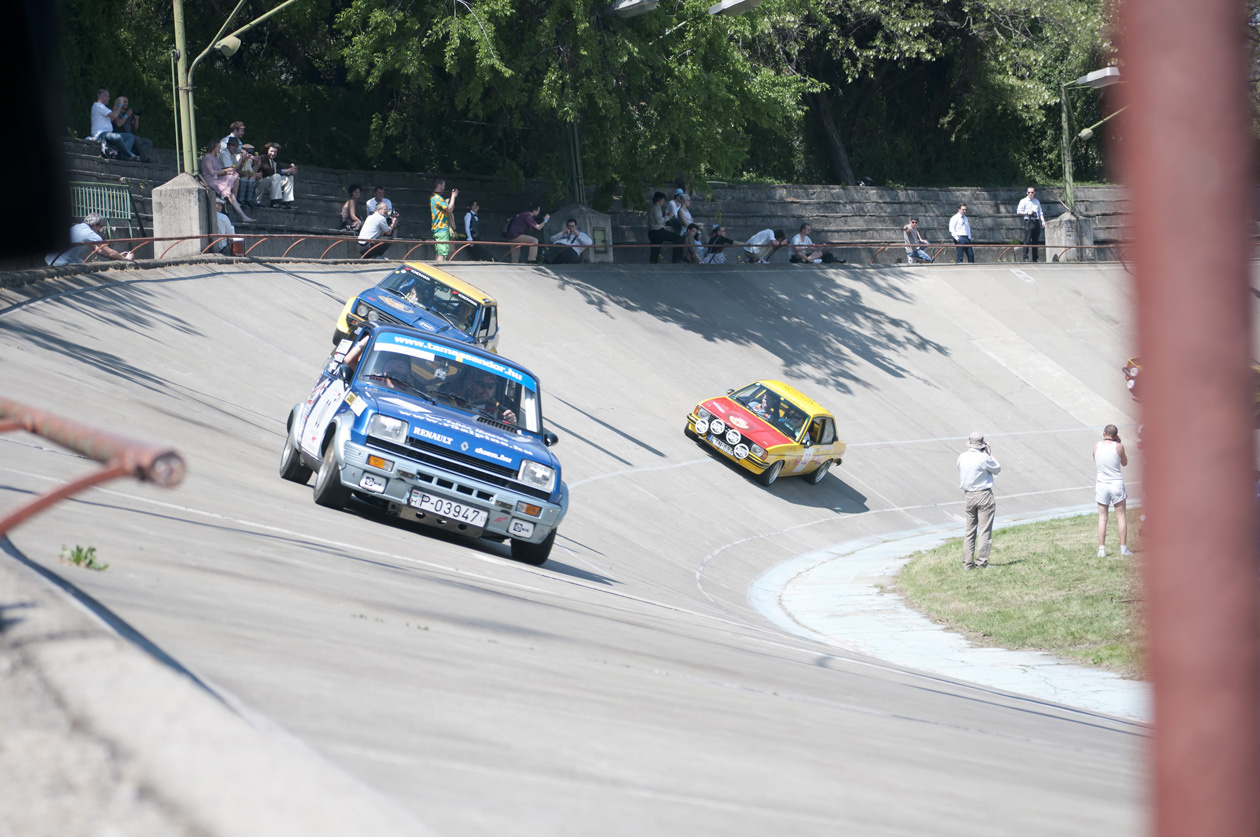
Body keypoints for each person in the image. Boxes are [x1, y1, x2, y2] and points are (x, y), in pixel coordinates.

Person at [957, 431, 1001, 570]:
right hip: (983, 495)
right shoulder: (983, 458)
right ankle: (982, 562)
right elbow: (997, 469)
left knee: (969, 530)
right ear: (982, 444)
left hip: (968, 495)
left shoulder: (962, 457)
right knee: (984, 530)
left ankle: (967, 563)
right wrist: (989, 453)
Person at [1094, 425, 1133, 557]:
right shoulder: (1118, 447)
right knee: (1121, 517)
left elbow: (1096, 459)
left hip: (1102, 484)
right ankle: (1123, 548)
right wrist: (1119, 443)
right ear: (1116, 435)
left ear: (1104, 433)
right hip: (1116, 483)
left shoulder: (1096, 446)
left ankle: (1101, 549)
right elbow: (1125, 462)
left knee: (1102, 518)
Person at [46, 213, 135, 265]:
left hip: (51, 258)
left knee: (83, 263)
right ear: (94, 225)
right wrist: (126, 259)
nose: (100, 229)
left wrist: (118, 255)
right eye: (100, 226)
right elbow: (110, 252)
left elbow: (96, 249)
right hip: (62, 262)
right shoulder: (91, 234)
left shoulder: (78, 227)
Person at [200, 139, 254, 223]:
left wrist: (229, 171)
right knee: (229, 193)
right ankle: (242, 215)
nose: (220, 149)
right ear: (213, 147)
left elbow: (219, 171)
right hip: (211, 180)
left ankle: (233, 199)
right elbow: (212, 173)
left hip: (217, 178)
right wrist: (226, 171)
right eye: (218, 147)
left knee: (235, 175)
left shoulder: (215, 158)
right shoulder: (207, 158)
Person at [88, 89, 140, 160]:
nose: (109, 99)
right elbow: (115, 115)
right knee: (118, 137)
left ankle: (122, 155)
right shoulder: (98, 106)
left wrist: (116, 104)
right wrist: (120, 104)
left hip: (108, 134)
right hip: (101, 134)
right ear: (103, 96)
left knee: (130, 137)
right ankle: (130, 155)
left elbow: (112, 118)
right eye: (108, 96)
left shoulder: (103, 108)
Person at [111, 95, 151, 161]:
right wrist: (126, 115)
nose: (127, 103)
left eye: (127, 102)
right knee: (136, 139)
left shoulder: (128, 113)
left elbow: (135, 128)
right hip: (121, 136)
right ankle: (143, 158)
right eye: (124, 102)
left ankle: (134, 154)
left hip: (130, 137)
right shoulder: (116, 112)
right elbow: (118, 124)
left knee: (149, 142)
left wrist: (136, 119)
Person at [257, 142, 296, 208]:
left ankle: (287, 202)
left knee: (290, 178)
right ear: (267, 150)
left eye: (275, 152)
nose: (273, 153)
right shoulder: (263, 158)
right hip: (262, 181)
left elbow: (281, 170)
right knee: (276, 176)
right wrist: (286, 170)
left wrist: (290, 172)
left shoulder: (275, 161)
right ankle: (275, 201)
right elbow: (268, 171)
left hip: (272, 183)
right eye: (271, 151)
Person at [646, 191, 681, 264]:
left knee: (655, 250)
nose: (663, 201)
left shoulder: (656, 208)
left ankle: (653, 263)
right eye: (663, 200)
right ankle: (676, 261)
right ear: (658, 199)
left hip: (654, 232)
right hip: (657, 231)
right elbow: (659, 221)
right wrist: (668, 217)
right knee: (677, 238)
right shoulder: (655, 208)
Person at [429, 178, 457, 261]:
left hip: (438, 229)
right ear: (439, 185)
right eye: (444, 185)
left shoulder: (432, 197)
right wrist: (453, 196)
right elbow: (449, 209)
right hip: (441, 229)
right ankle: (439, 270)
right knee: (442, 253)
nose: (444, 187)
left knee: (439, 252)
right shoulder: (437, 198)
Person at [1016, 187, 1045, 262]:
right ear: (1027, 193)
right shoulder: (1023, 201)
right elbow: (1018, 211)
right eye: (1029, 192)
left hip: (1036, 221)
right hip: (1028, 221)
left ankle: (1035, 258)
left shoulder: (1037, 202)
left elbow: (1040, 213)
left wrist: (1043, 221)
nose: (1030, 194)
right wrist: (1027, 213)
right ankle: (1025, 257)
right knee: (1027, 240)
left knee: (1035, 241)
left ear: (1034, 193)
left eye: (1032, 192)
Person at [236, 144, 261, 208]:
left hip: (245, 176)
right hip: (237, 176)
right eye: (247, 151)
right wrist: (243, 159)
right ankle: (240, 198)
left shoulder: (249, 160)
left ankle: (248, 199)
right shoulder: (238, 157)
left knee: (252, 177)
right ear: (242, 150)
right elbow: (236, 169)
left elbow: (251, 172)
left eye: (251, 152)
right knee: (246, 176)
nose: (249, 153)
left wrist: (257, 165)